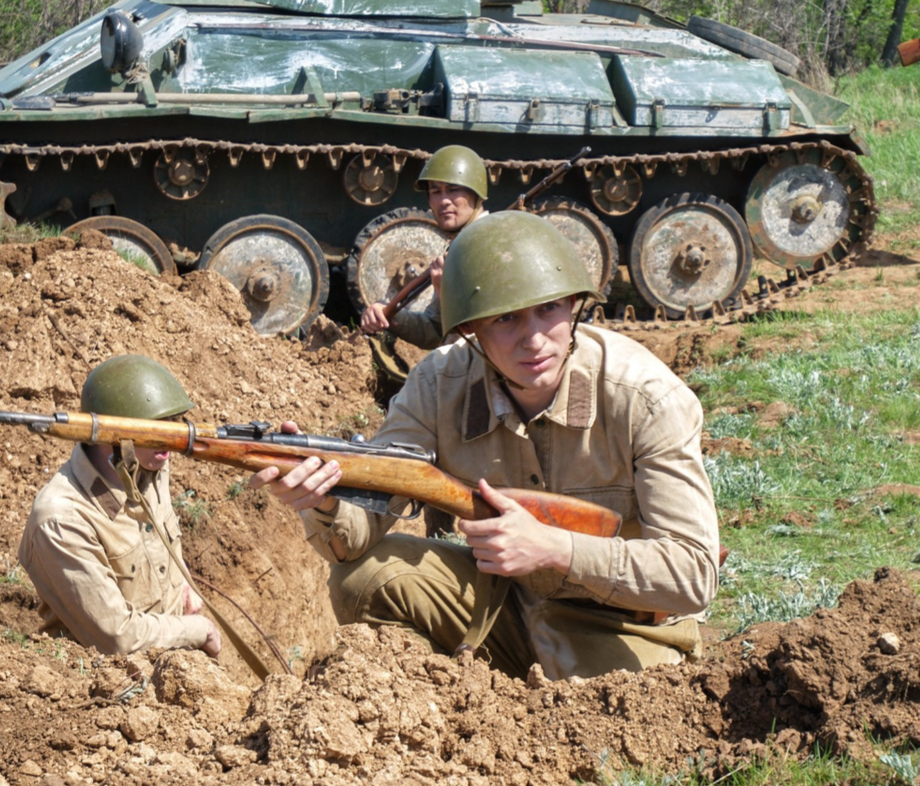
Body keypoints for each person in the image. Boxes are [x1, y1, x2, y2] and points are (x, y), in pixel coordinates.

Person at [250, 211, 719, 680]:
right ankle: (437, 702)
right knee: (364, 579)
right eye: (506, 318)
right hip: (503, 604)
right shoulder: (437, 387)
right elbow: (356, 539)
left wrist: (557, 548)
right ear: (471, 328)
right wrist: (326, 500)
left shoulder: (647, 400)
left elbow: (693, 573)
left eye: (550, 309)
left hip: (625, 624)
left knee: (606, 731)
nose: (534, 339)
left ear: (575, 304)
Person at [18, 355, 221, 658]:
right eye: (156, 428)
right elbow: (117, 638)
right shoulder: (61, 520)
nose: (172, 439)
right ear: (112, 437)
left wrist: (184, 587)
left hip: (175, 657)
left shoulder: (149, 463)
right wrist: (196, 630)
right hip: (110, 686)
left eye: (173, 423)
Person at [359, 144, 488, 349]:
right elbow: (435, 332)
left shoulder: (489, 245)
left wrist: (447, 293)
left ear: (477, 194)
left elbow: (489, 334)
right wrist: (389, 315)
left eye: (453, 190)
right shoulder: (457, 246)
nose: (443, 200)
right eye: (435, 191)